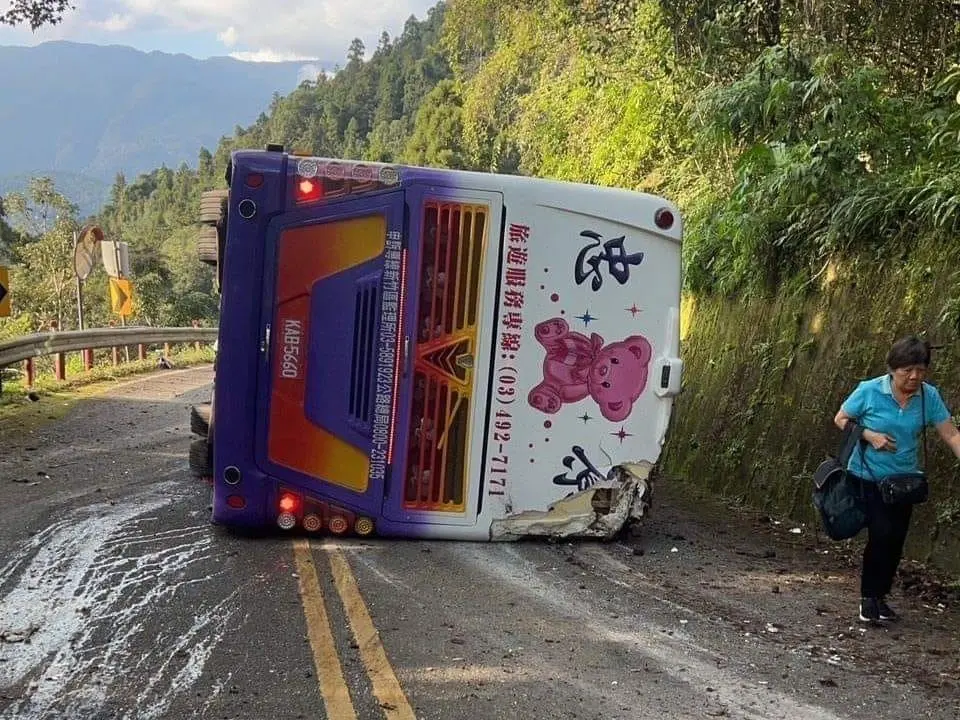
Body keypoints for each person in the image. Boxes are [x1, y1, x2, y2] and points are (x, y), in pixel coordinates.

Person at [833, 335, 960, 623]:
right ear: (892, 369)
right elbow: (840, 419)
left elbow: (951, 433)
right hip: (867, 476)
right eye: (907, 371)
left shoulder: (929, 396)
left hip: (903, 482)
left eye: (920, 370)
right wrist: (870, 435)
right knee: (881, 534)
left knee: (895, 540)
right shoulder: (869, 390)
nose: (914, 377)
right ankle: (868, 599)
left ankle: (880, 598)